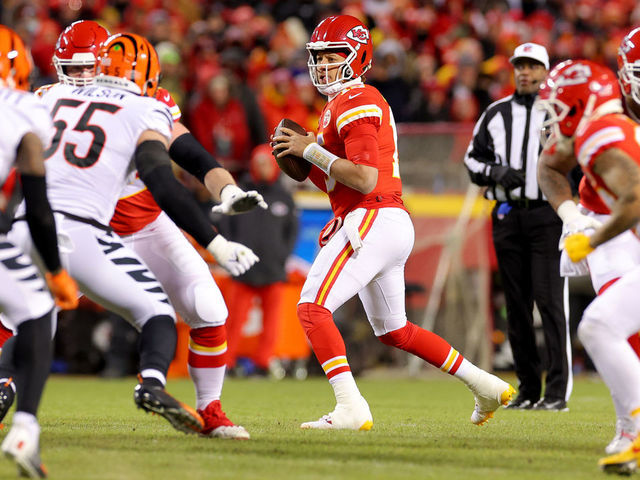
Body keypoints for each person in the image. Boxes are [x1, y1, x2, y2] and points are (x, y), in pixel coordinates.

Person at [9, 32, 259, 438]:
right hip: (85, 226)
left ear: (106, 64)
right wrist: (214, 238)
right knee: (24, 313)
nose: (81, 77)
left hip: (138, 225)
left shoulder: (140, 104)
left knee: (207, 306)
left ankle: (209, 411)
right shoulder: (50, 98)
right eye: (71, 69)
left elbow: (191, 156)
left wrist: (227, 189)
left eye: (88, 66)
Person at [272, 15, 514, 431]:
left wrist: (311, 150)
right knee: (394, 330)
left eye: (333, 56)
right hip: (382, 219)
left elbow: (364, 179)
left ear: (358, 57)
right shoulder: (341, 104)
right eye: (319, 57)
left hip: (374, 216)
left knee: (312, 307)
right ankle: (485, 384)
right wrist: (306, 158)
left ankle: (351, 407)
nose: (324, 65)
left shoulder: (356, 100)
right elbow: (339, 179)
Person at [537, 27, 640, 455]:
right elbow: (549, 166)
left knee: (605, 325)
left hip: (624, 219)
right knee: (616, 325)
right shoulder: (601, 125)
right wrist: (572, 217)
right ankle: (629, 429)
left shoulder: (600, 127)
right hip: (609, 221)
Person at [463, 42, 572, 411]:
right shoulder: (495, 114)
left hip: (546, 215)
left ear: (545, 71)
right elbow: (472, 160)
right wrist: (497, 172)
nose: (525, 72)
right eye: (520, 66)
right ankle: (528, 388)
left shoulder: (558, 112)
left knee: (549, 301)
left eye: (532, 66)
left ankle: (557, 392)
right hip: (508, 215)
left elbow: (578, 158)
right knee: (516, 305)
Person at [0, 24, 78, 478]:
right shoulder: (25, 107)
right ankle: (25, 427)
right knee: (35, 310)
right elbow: (37, 200)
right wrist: (54, 270)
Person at [217, 144, 299, 376]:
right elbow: (226, 224)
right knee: (233, 320)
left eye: (266, 162)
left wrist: (282, 255)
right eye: (258, 162)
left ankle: (264, 362)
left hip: (273, 268)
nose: (262, 167)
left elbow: (292, 230)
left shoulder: (285, 197)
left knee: (272, 322)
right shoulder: (240, 193)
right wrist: (231, 252)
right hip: (244, 268)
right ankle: (226, 363)